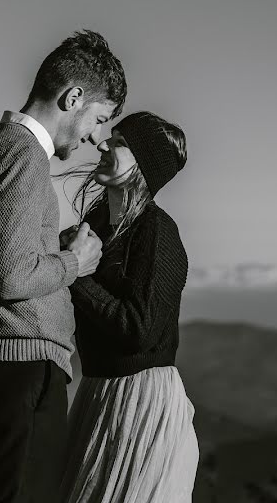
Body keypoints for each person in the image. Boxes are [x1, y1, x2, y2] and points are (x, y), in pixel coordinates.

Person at [0, 30, 126, 502]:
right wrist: (73, 261)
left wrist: (42, 253)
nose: (95, 138)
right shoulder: (23, 154)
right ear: (73, 97)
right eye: (99, 119)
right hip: (22, 369)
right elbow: (11, 277)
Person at [58, 111, 199, 503]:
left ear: (144, 165)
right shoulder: (98, 224)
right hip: (99, 394)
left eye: (119, 143)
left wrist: (76, 272)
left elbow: (139, 329)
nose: (102, 144)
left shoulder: (156, 230)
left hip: (140, 404)